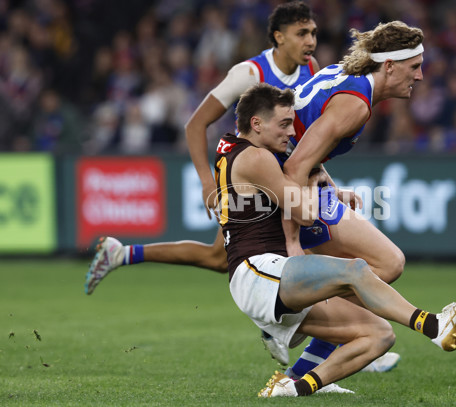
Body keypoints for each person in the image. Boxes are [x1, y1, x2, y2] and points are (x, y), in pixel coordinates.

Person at [84, 1, 399, 385]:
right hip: (248, 177)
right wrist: (207, 180)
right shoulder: (248, 72)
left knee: (231, 258)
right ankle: (327, 338)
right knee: (230, 258)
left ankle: (327, 340)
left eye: (314, 32)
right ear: (278, 36)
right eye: (302, 33)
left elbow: (304, 145)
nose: (311, 41)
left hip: (284, 179)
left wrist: (330, 185)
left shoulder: (311, 70)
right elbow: (195, 124)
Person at [216, 82, 456, 398]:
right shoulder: (257, 157)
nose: (290, 131)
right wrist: (314, 185)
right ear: (256, 123)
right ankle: (434, 326)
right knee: (355, 270)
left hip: (268, 277)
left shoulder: (237, 150)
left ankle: (295, 388)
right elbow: (305, 213)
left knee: (379, 335)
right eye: (284, 123)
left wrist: (329, 189)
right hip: (258, 272)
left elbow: (289, 182)